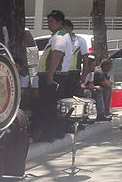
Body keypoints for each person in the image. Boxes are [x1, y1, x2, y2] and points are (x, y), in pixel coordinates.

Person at [34, 10, 72, 141]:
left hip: (54, 76)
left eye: (51, 21)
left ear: (59, 22)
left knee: (49, 106)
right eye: (48, 21)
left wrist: (50, 75)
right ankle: (55, 132)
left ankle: (48, 134)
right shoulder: (58, 35)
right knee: (51, 106)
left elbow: (57, 55)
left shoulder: (60, 37)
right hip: (54, 75)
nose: (48, 24)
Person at [64, 19, 88, 96]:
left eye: (65, 29)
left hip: (74, 72)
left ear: (71, 28)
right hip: (61, 72)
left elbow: (85, 59)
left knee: (73, 95)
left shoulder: (80, 41)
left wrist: (84, 75)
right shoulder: (60, 41)